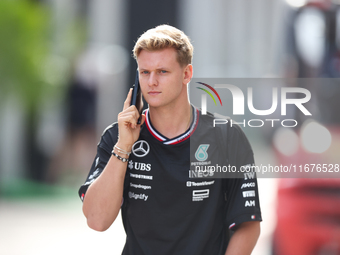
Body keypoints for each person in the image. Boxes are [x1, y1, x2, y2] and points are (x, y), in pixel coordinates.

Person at [79, 24, 262, 255]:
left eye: (162, 72)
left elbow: (248, 224)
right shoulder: (117, 137)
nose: (152, 82)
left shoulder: (226, 136)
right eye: (145, 72)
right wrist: (124, 147)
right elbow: (97, 220)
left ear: (186, 74)